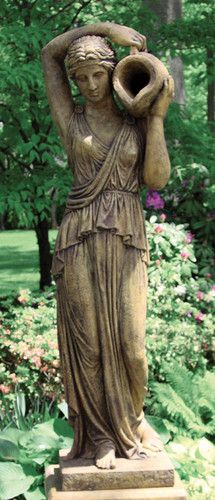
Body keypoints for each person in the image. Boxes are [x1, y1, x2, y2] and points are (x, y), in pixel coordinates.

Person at [42, 22, 174, 470]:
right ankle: (100, 436)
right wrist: (106, 29)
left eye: (98, 74)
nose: (91, 85)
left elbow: (156, 179)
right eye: (81, 78)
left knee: (132, 346)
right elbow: (49, 54)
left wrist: (155, 117)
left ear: (113, 72)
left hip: (125, 233)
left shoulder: (136, 122)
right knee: (91, 346)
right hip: (79, 237)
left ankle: (134, 421)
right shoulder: (71, 119)